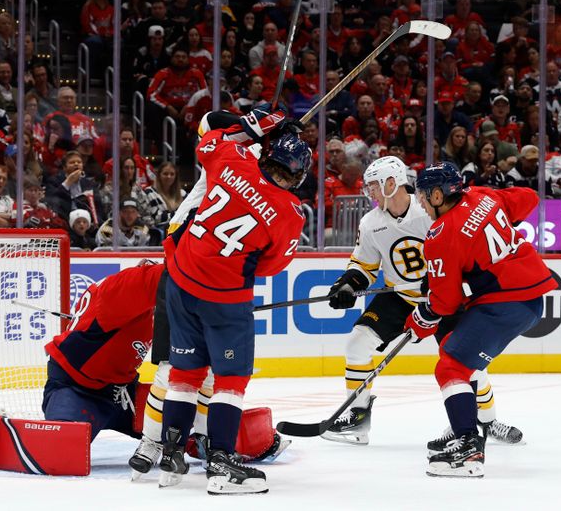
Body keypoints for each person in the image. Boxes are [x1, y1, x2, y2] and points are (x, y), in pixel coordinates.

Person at [157, 106, 309, 495]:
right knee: (230, 381)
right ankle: (222, 463)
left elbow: (209, 136)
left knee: (184, 373)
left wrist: (256, 126)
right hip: (224, 300)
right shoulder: (291, 213)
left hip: (179, 279)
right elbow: (271, 267)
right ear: (298, 176)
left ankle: (170, 455)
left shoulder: (233, 158)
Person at [324, 157, 522, 447]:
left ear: (392, 183)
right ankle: (358, 416)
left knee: (468, 364)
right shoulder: (370, 223)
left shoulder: (428, 210)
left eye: (375, 187)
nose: (371, 193)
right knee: (357, 343)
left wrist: (442, 279)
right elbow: (364, 266)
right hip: (400, 297)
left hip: (444, 297)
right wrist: (347, 284)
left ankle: (488, 421)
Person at [407, 162, 557, 477]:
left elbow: (445, 303)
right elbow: (528, 197)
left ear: (437, 195)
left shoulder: (441, 234)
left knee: (450, 365)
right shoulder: (482, 195)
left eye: (422, 195)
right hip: (531, 296)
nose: (420, 202)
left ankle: (468, 448)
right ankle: (467, 425)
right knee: (454, 348)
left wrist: (420, 318)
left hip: (506, 302)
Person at [43, 261, 165, 440]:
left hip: (121, 393)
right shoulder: (120, 291)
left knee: (178, 427)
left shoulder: (143, 310)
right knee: (62, 442)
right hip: (77, 388)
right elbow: (164, 276)